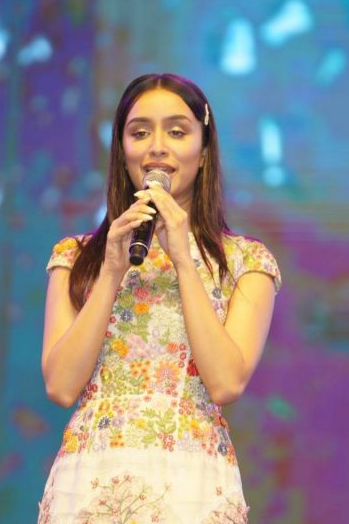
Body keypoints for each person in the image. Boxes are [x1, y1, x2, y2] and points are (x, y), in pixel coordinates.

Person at [38, 73, 281, 523]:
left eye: (177, 132)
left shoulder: (245, 262)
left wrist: (184, 259)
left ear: (203, 152)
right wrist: (111, 271)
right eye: (139, 133)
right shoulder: (77, 257)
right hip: (92, 480)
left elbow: (226, 383)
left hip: (190, 483)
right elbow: (61, 385)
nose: (157, 148)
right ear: (122, 150)